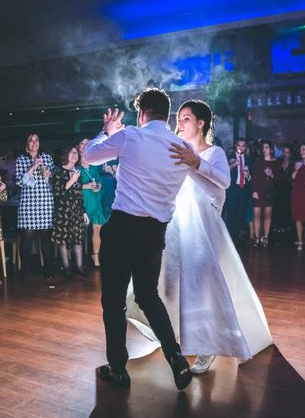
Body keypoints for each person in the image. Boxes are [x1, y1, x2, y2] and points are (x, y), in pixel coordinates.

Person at [127, 99, 272, 375]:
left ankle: (207, 347)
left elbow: (224, 182)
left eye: (185, 119)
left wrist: (195, 163)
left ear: (200, 123)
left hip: (204, 229)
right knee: (168, 285)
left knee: (202, 288)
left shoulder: (213, 152)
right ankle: (174, 336)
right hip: (174, 224)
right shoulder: (176, 150)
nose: (179, 123)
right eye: (178, 119)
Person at [83, 87, 193, 390]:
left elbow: (89, 156)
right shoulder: (182, 148)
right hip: (154, 234)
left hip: (122, 230)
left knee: (114, 302)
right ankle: (176, 357)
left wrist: (106, 132)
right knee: (148, 296)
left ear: (142, 113)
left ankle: (118, 370)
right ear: (168, 116)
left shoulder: (132, 135)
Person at [14, 133, 55, 281]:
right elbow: (19, 182)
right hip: (28, 203)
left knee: (46, 238)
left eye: (36, 140)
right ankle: (24, 271)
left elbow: (50, 179)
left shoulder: (47, 157)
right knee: (26, 238)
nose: (34, 142)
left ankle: (48, 270)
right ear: (26, 145)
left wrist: (46, 174)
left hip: (45, 201)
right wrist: (33, 167)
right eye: (30, 140)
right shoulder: (21, 159)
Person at [51, 146, 89, 279]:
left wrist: (84, 212)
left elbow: (79, 195)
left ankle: (79, 266)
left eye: (76, 153)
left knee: (78, 239)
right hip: (63, 210)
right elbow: (57, 192)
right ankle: (66, 268)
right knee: (63, 240)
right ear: (65, 155)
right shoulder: (58, 171)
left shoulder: (77, 172)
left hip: (76, 210)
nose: (75, 155)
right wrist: (71, 180)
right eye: (72, 152)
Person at [79, 138, 106, 268]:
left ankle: (96, 257)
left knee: (97, 228)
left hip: (95, 199)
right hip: (83, 201)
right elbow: (69, 186)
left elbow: (100, 180)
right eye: (82, 144)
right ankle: (78, 259)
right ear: (78, 147)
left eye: (87, 144)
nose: (85, 146)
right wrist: (86, 186)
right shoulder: (75, 166)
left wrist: (98, 186)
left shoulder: (95, 165)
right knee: (81, 230)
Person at [251, 140, 280, 247]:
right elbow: (253, 178)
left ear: (271, 149)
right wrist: (254, 191)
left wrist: (272, 175)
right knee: (257, 214)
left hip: (269, 192)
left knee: (268, 214)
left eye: (267, 147)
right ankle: (257, 237)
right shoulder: (258, 162)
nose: (264, 149)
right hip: (258, 191)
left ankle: (266, 238)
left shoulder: (276, 163)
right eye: (263, 147)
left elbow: (280, 179)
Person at [225, 138, 253, 246]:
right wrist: (233, 165)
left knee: (240, 215)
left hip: (243, 189)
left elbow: (252, 177)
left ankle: (236, 240)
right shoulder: (230, 158)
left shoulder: (249, 159)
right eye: (239, 145)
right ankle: (229, 240)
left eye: (243, 146)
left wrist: (248, 176)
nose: (241, 148)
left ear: (245, 147)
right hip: (232, 189)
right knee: (231, 214)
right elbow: (223, 171)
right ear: (235, 146)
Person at [271, 144, 294, 238]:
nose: (285, 154)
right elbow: (275, 177)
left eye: (287, 152)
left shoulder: (293, 163)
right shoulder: (278, 162)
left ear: (291, 153)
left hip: (289, 191)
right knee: (277, 211)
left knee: (287, 211)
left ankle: (287, 235)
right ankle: (277, 235)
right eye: (284, 151)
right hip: (278, 190)